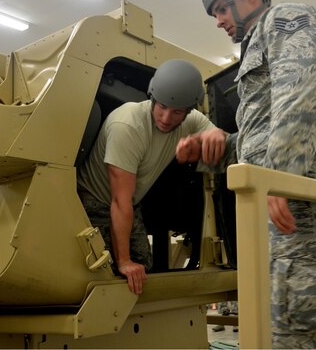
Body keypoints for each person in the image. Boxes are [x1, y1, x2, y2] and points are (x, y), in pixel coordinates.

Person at [179, 0, 316, 348]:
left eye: (222, 9)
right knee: (280, 325)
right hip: (279, 201)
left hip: (301, 200)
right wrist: (216, 148)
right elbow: (260, 135)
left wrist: (283, 176)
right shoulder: (255, 44)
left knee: (305, 329)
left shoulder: (287, 18)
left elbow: (303, 88)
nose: (219, 20)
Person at [77, 59, 227, 295]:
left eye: (176, 112)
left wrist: (214, 136)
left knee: (143, 268)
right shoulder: (127, 126)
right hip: (94, 201)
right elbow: (119, 202)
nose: (166, 118)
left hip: (129, 204)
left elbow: (215, 134)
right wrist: (124, 262)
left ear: (188, 110)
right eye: (162, 107)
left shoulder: (190, 119)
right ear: (153, 98)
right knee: (108, 273)